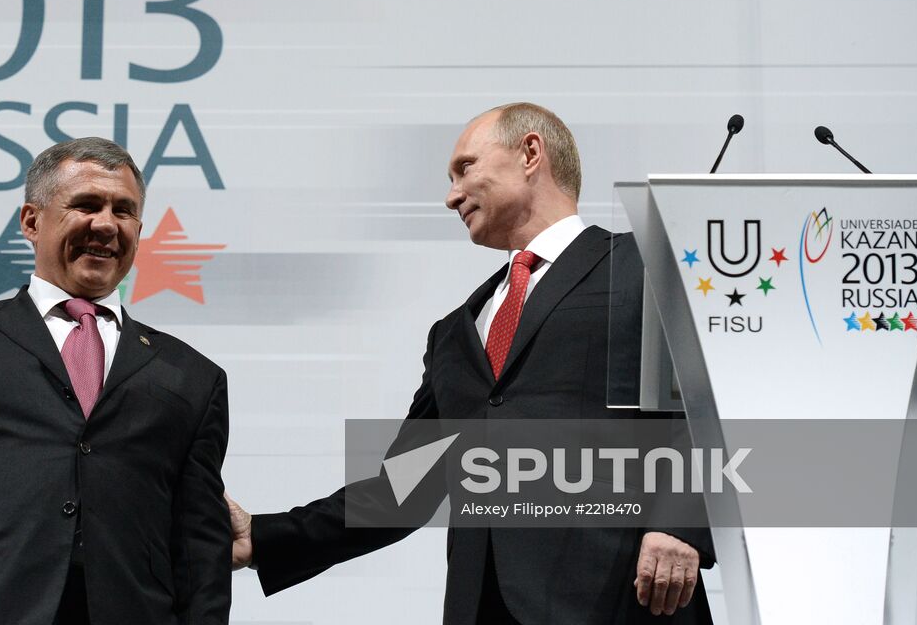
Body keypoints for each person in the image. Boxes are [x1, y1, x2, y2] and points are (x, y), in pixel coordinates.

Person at [227, 103, 713, 624]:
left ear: (530, 153)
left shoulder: (644, 266)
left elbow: (704, 405)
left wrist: (678, 524)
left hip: (623, 598)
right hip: (482, 606)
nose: (451, 195)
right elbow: (404, 489)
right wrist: (263, 537)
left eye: (464, 168)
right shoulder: (454, 334)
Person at [0, 137, 231, 625]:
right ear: (32, 221)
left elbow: (199, 545)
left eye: (124, 211)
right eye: (86, 205)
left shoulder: (193, 376)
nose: (106, 224)